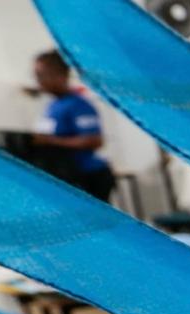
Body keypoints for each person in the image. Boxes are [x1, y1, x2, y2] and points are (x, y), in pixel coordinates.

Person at [31, 49, 115, 202]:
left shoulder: (78, 105)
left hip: (87, 177)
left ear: (61, 75)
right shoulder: (53, 105)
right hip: (65, 175)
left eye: (42, 75)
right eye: (36, 75)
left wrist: (50, 141)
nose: (38, 80)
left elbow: (94, 141)